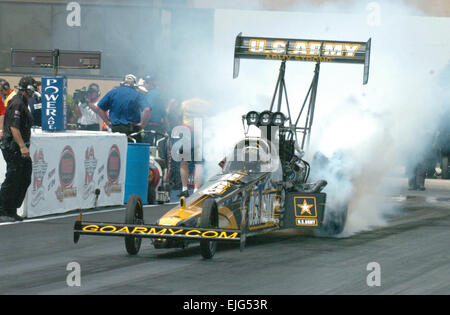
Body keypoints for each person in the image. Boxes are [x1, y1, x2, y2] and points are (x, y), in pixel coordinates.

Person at [0, 77, 34, 222]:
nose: (35, 91)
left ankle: (11, 209)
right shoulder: (17, 103)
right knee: (12, 178)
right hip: (14, 146)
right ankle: (2, 210)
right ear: (28, 89)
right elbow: (14, 127)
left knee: (24, 177)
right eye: (33, 88)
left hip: (19, 146)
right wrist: (22, 146)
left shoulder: (23, 102)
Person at [95, 74, 151, 142]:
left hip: (115, 130)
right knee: (132, 151)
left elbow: (99, 108)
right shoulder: (138, 94)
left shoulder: (113, 92)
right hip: (132, 130)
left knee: (116, 151)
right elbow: (147, 109)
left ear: (123, 82)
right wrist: (142, 124)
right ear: (134, 84)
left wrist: (107, 122)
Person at [178, 98, 211, 197]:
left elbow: (178, 114)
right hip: (198, 133)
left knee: (184, 163)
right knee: (198, 164)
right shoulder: (205, 104)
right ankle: (196, 189)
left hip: (186, 133)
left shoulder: (184, 103)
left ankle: (184, 189)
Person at [140, 74, 168, 146]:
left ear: (151, 83)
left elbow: (147, 109)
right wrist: (166, 125)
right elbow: (163, 112)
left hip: (150, 127)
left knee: (149, 148)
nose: (144, 85)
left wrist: (141, 123)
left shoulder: (152, 94)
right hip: (155, 127)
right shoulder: (155, 94)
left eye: (146, 83)